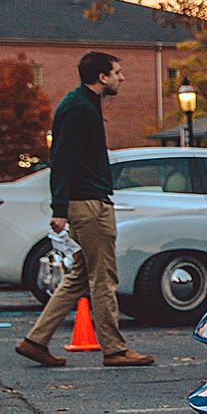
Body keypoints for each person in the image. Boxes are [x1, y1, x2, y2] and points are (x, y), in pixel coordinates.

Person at [15, 51, 154, 368]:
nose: (122, 78)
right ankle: (115, 349)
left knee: (78, 276)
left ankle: (35, 340)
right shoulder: (79, 108)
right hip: (89, 204)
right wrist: (59, 209)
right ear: (102, 77)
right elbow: (62, 159)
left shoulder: (82, 104)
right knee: (104, 277)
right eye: (117, 73)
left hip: (85, 201)